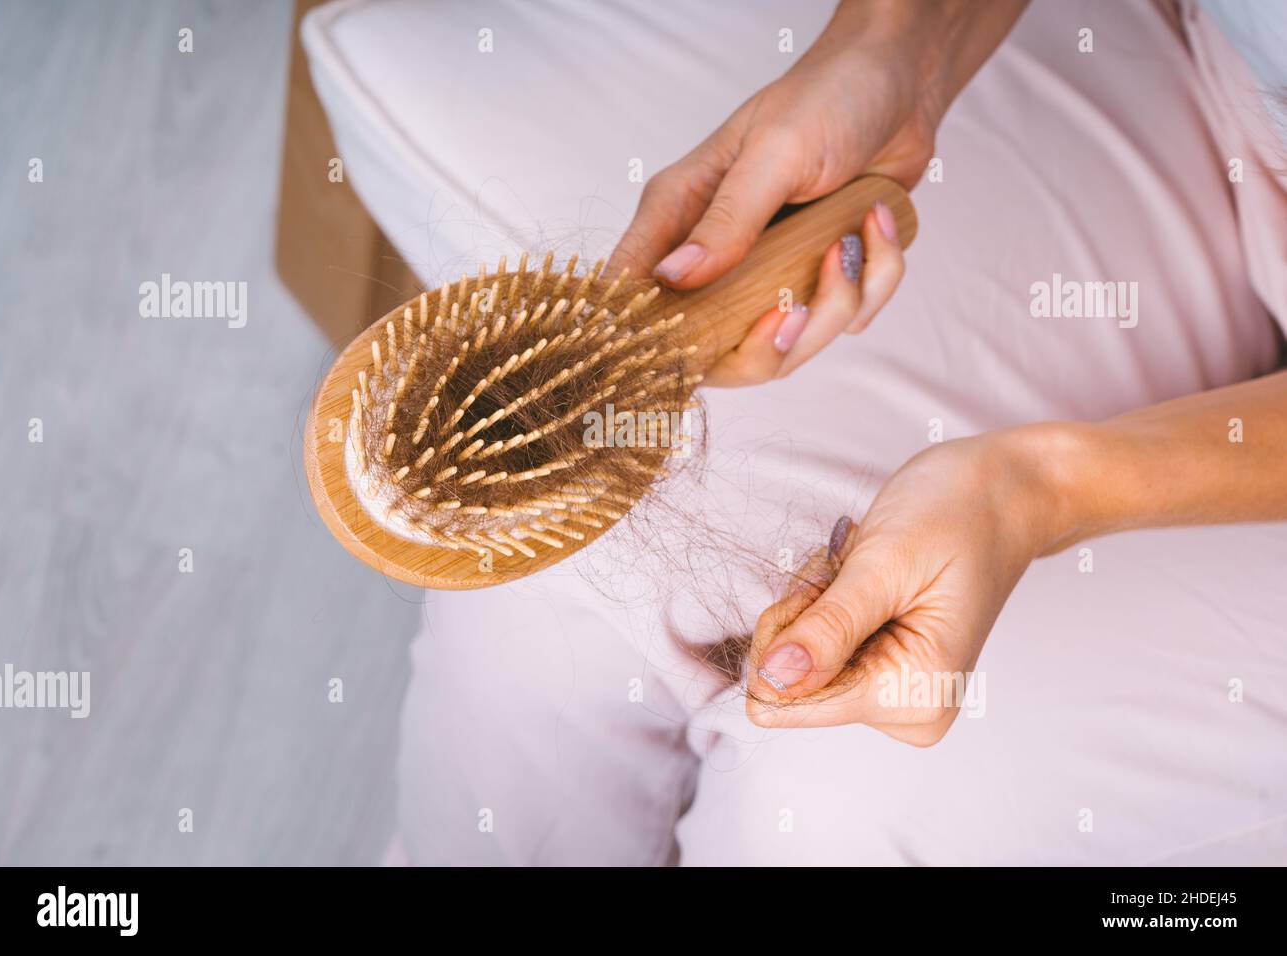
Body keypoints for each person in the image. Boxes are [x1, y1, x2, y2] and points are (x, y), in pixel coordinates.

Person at [394, 0, 1287, 864]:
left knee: (819, 809)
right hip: (1190, 57)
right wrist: (892, 43)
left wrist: (1041, 487)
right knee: (556, 559)